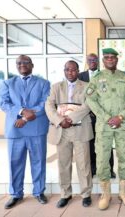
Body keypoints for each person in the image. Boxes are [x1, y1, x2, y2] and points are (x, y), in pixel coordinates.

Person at [85, 48, 125, 210]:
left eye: (113, 57)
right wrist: (107, 118)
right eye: (107, 57)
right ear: (103, 61)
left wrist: (120, 117)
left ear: (117, 59)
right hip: (103, 126)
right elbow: (91, 100)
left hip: (123, 124)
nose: (110, 60)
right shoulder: (97, 78)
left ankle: (123, 192)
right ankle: (105, 194)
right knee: (102, 159)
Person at [0, 55, 50, 209]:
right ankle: (16, 194)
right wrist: (22, 111)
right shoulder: (7, 83)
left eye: (25, 62)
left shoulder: (44, 83)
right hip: (16, 130)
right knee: (15, 163)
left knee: (39, 162)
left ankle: (39, 192)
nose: (22, 65)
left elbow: (45, 103)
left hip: (36, 129)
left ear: (32, 65)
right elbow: (3, 103)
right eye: (19, 63)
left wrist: (26, 117)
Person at [45, 60, 93, 208]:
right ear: (64, 71)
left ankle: (86, 194)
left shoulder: (87, 86)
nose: (70, 72)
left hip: (80, 130)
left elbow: (88, 105)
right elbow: (49, 105)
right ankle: (65, 194)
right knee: (63, 164)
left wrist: (70, 119)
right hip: (62, 131)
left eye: (73, 70)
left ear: (78, 71)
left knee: (83, 164)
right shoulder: (56, 87)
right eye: (67, 70)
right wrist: (60, 120)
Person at [78, 53, 116, 178]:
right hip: (87, 116)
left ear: (98, 61)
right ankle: (93, 168)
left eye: (95, 59)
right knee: (90, 144)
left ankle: (109, 169)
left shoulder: (105, 74)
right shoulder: (80, 76)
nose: (92, 61)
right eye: (90, 59)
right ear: (87, 61)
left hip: (104, 116)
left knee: (106, 143)